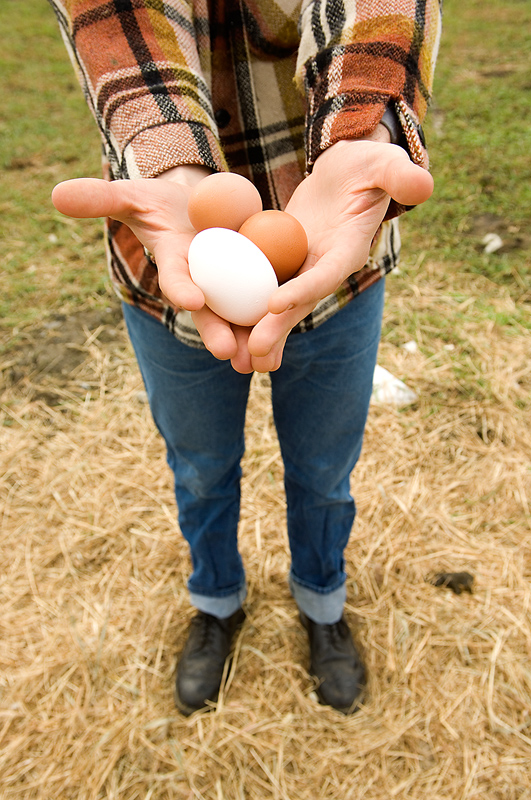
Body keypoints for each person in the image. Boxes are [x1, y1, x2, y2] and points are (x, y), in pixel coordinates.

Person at [48, 0, 441, 715]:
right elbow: (120, 17)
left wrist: (359, 128)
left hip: (338, 256)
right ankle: (217, 601)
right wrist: (172, 164)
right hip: (172, 265)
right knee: (199, 470)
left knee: (323, 473)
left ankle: (321, 606)